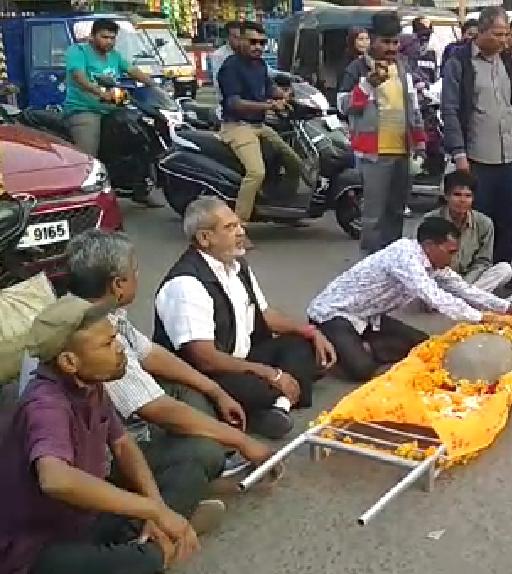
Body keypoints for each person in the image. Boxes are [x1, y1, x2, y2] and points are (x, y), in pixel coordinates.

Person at [65, 229, 275, 524]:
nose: (138, 276)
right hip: (95, 462)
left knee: (187, 387)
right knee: (205, 452)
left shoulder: (97, 312)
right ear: (118, 284)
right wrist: (242, 441)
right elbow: (157, 409)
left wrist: (215, 390)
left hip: (111, 431)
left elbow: (151, 354)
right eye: (135, 271)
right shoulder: (93, 337)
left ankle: (189, 485)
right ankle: (151, 525)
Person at [0, 295, 200, 574]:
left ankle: (155, 537)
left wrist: (154, 505)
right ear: (69, 361)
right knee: (145, 560)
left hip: (82, 519)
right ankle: (158, 543)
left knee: (186, 474)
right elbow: (55, 479)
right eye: (107, 344)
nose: (119, 347)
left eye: (115, 338)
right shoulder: (46, 405)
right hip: (36, 547)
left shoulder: (90, 385)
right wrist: (152, 510)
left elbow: (122, 444)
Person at [153, 198, 337, 440]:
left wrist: (311, 332)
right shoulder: (186, 285)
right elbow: (205, 359)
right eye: (230, 227)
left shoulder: (237, 266)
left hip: (242, 358)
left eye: (239, 225)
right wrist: (271, 374)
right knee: (265, 384)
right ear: (205, 238)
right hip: (208, 373)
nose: (241, 232)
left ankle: (276, 408)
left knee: (302, 345)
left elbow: (265, 315)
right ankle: (270, 403)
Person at [308, 217, 512, 382]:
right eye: (450, 252)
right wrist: (482, 318)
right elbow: (435, 297)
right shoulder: (404, 255)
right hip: (335, 313)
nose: (453, 258)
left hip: (369, 316)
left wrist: (510, 309)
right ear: (429, 246)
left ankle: (359, 346)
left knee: (423, 345)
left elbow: (465, 290)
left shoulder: (435, 264)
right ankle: (329, 345)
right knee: (362, 370)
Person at [442, 6, 512, 264]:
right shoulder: (459, 62)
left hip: (510, 156)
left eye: (506, 34)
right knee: (479, 222)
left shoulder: (508, 62)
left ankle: (501, 274)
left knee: (508, 221)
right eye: (498, 34)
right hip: (477, 158)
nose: (504, 40)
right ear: (480, 32)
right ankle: (474, 273)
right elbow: (450, 110)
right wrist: (459, 154)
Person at [338, 11, 427, 256]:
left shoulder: (402, 66)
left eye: (395, 42)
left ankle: (392, 264)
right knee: (373, 218)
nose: (391, 48)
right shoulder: (356, 68)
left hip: (402, 150)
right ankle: (369, 267)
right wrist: (368, 84)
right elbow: (344, 107)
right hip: (373, 154)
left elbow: (413, 107)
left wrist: (420, 141)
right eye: (385, 42)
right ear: (373, 39)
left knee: (396, 213)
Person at [216, 22, 308, 226]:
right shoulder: (231, 67)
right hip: (237, 127)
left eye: (262, 43)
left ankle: (284, 210)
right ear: (240, 41)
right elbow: (235, 103)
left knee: (295, 162)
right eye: (252, 42)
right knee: (256, 173)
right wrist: (269, 106)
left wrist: (287, 94)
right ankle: (239, 223)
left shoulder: (260, 65)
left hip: (259, 125)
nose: (258, 46)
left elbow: (269, 87)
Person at [63, 18, 157, 206]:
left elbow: (132, 70)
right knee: (88, 156)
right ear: (93, 36)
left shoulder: (114, 56)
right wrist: (101, 93)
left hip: (112, 108)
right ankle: (84, 199)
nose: (109, 41)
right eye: (104, 37)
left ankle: (140, 188)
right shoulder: (78, 51)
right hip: (85, 110)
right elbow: (79, 77)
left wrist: (154, 85)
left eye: (112, 38)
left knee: (139, 138)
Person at [424, 170, 512, 292]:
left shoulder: (484, 223)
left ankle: (463, 296)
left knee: (505, 269)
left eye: (467, 196)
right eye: (457, 195)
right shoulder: (430, 220)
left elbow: (483, 262)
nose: (462, 200)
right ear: (446, 196)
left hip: (470, 282)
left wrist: (464, 285)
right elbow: (424, 259)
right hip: (439, 279)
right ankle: (466, 298)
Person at [402, 17, 439, 89]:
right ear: (414, 34)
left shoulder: (432, 54)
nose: (425, 38)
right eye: (422, 34)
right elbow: (406, 73)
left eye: (428, 34)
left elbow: (435, 77)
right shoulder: (406, 53)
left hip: (429, 93)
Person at [209, 21, 244, 87]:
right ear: (228, 37)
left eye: (241, 37)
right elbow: (218, 82)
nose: (239, 40)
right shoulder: (219, 54)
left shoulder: (247, 52)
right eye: (235, 37)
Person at [338, 27, 371, 91]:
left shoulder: (372, 59)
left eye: (367, 39)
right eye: (361, 39)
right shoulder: (347, 62)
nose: (365, 42)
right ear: (352, 41)